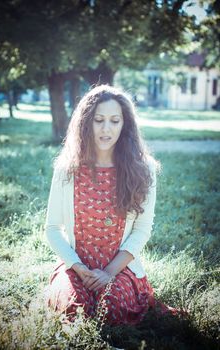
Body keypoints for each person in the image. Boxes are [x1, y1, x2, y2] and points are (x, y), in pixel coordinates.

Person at [45, 84, 176, 325]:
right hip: (76, 266)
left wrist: (108, 273)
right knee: (76, 311)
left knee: (112, 310)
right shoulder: (67, 168)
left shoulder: (142, 168)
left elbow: (141, 230)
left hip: (119, 267)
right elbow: (52, 229)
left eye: (115, 121)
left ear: (125, 124)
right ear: (86, 122)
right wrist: (79, 268)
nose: (106, 129)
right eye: (99, 120)